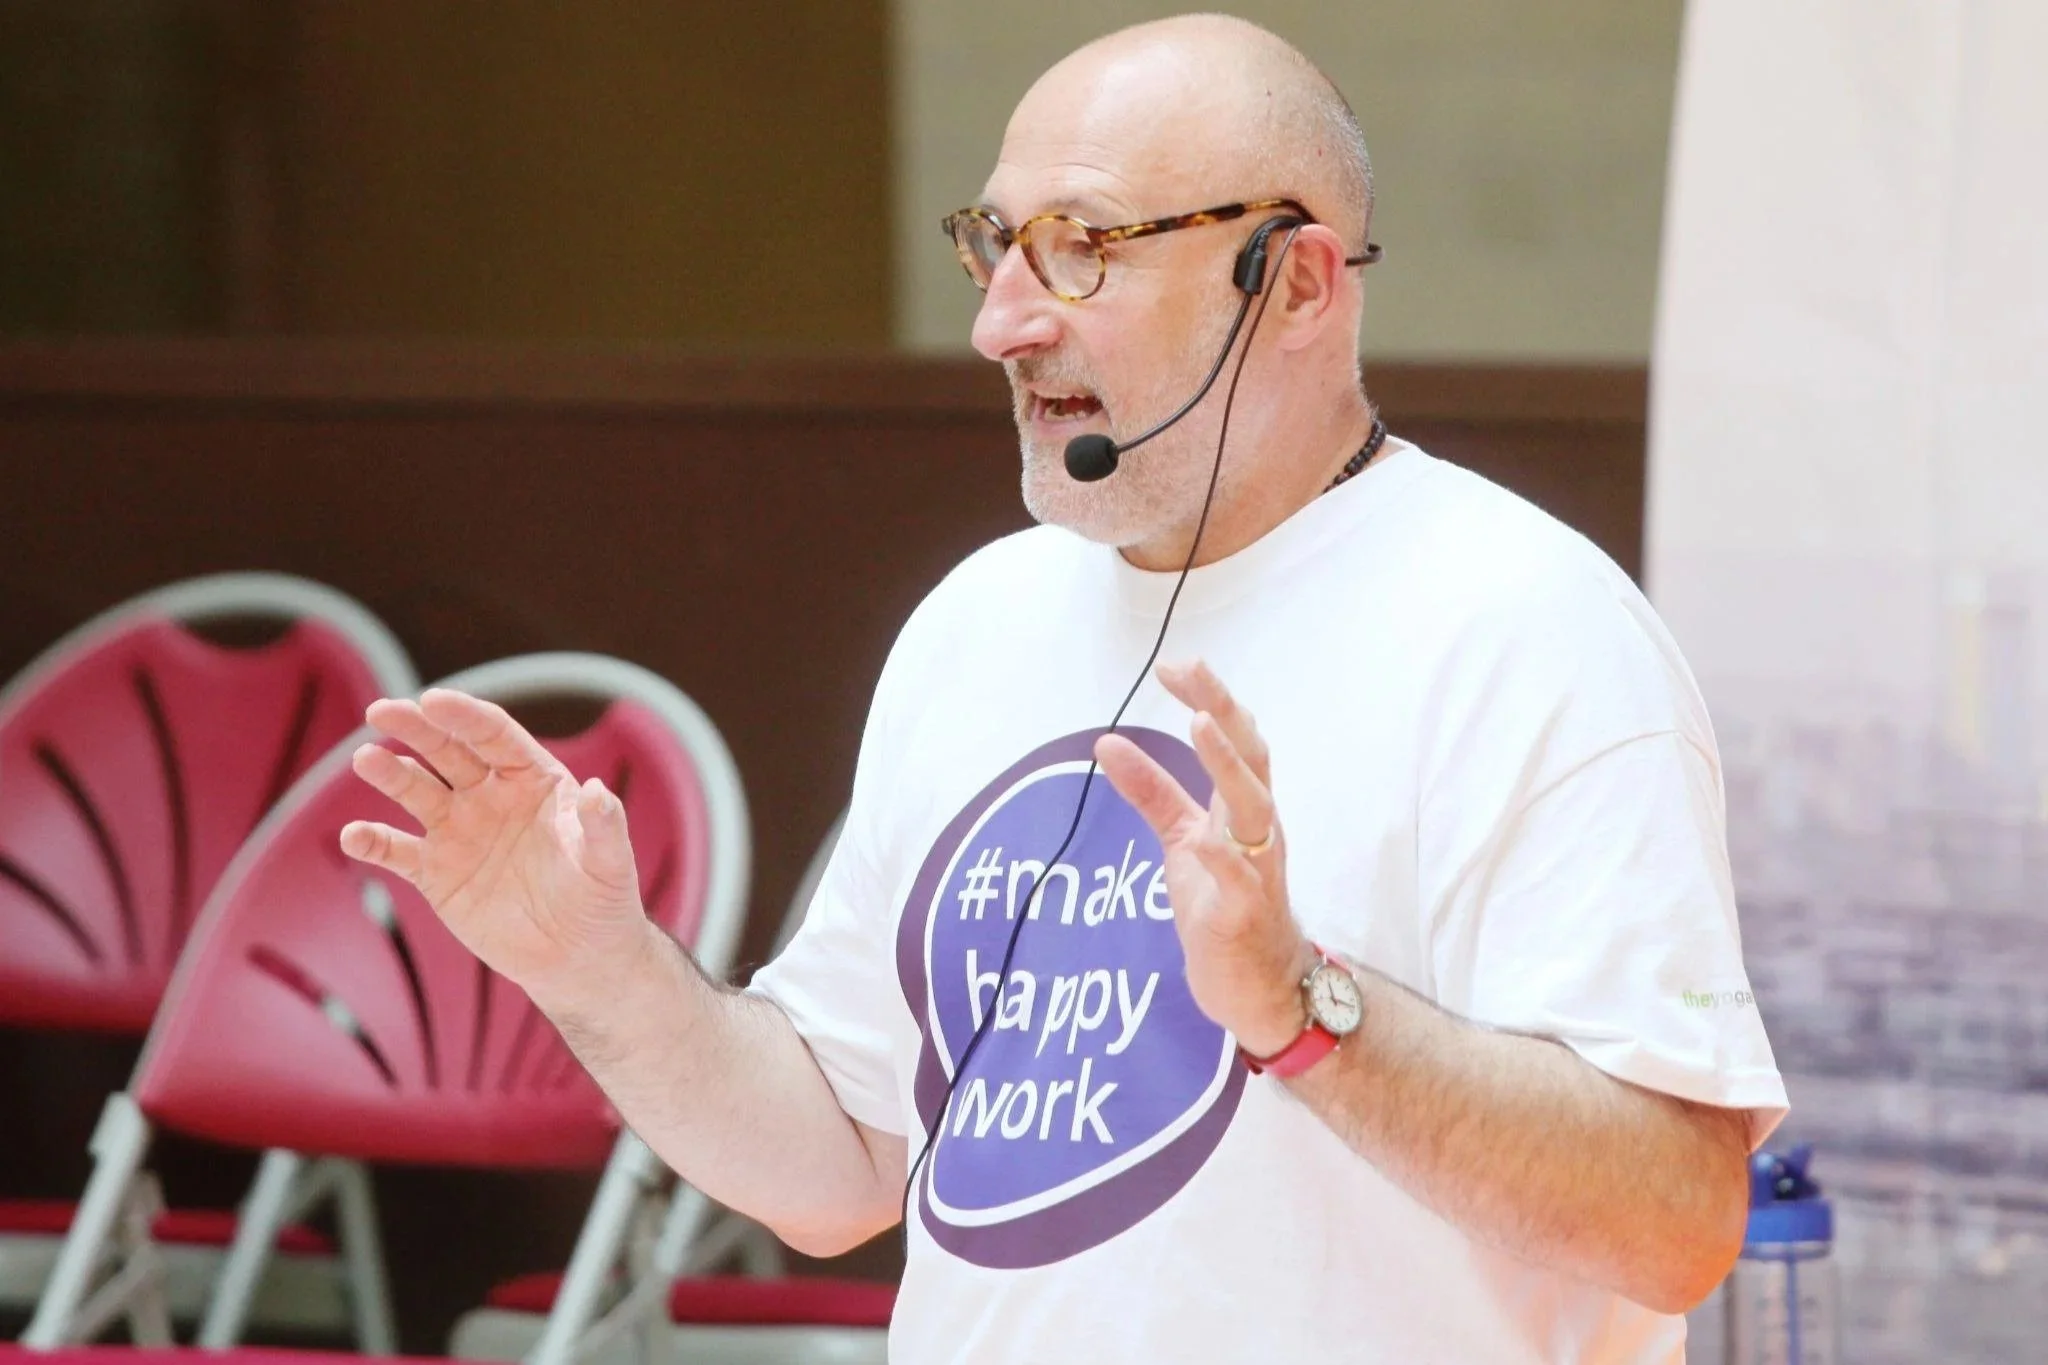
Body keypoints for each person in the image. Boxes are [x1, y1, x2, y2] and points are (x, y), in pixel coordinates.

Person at [341, 14, 1786, 1363]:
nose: (1005, 325)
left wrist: (1303, 1011)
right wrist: (592, 965)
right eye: (996, 247)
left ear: (1295, 283)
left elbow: (1677, 1223)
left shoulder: (1528, 627)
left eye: (1083, 250)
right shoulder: (981, 618)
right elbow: (836, 1165)